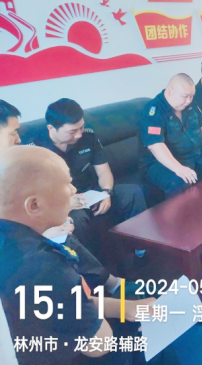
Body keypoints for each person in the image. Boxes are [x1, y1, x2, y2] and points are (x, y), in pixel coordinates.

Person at [0, 146, 160, 364]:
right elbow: (99, 344)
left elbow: (68, 302)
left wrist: (126, 307)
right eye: (66, 184)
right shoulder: (42, 264)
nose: (73, 190)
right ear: (34, 205)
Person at [1, 100, 132, 296]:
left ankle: (109, 286)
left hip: (29, 235)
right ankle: (102, 292)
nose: (19, 139)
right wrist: (43, 237)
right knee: (64, 233)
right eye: (13, 133)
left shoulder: (10, 164)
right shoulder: (29, 154)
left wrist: (53, 224)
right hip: (17, 259)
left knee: (65, 231)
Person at [23, 99, 147, 260]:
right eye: (72, 131)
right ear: (51, 128)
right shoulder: (34, 151)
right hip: (62, 201)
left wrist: (106, 192)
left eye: (81, 127)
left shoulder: (88, 137)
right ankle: (92, 263)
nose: (79, 134)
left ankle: (141, 246)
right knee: (77, 220)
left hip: (91, 191)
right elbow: (34, 193)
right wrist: (65, 202)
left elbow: (104, 172)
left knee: (132, 192)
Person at [140, 73, 202, 197]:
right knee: (179, 181)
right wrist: (178, 168)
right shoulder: (153, 110)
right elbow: (155, 145)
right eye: (185, 96)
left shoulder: (189, 103)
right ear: (170, 92)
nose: (189, 101)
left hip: (194, 153)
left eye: (191, 96)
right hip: (164, 161)